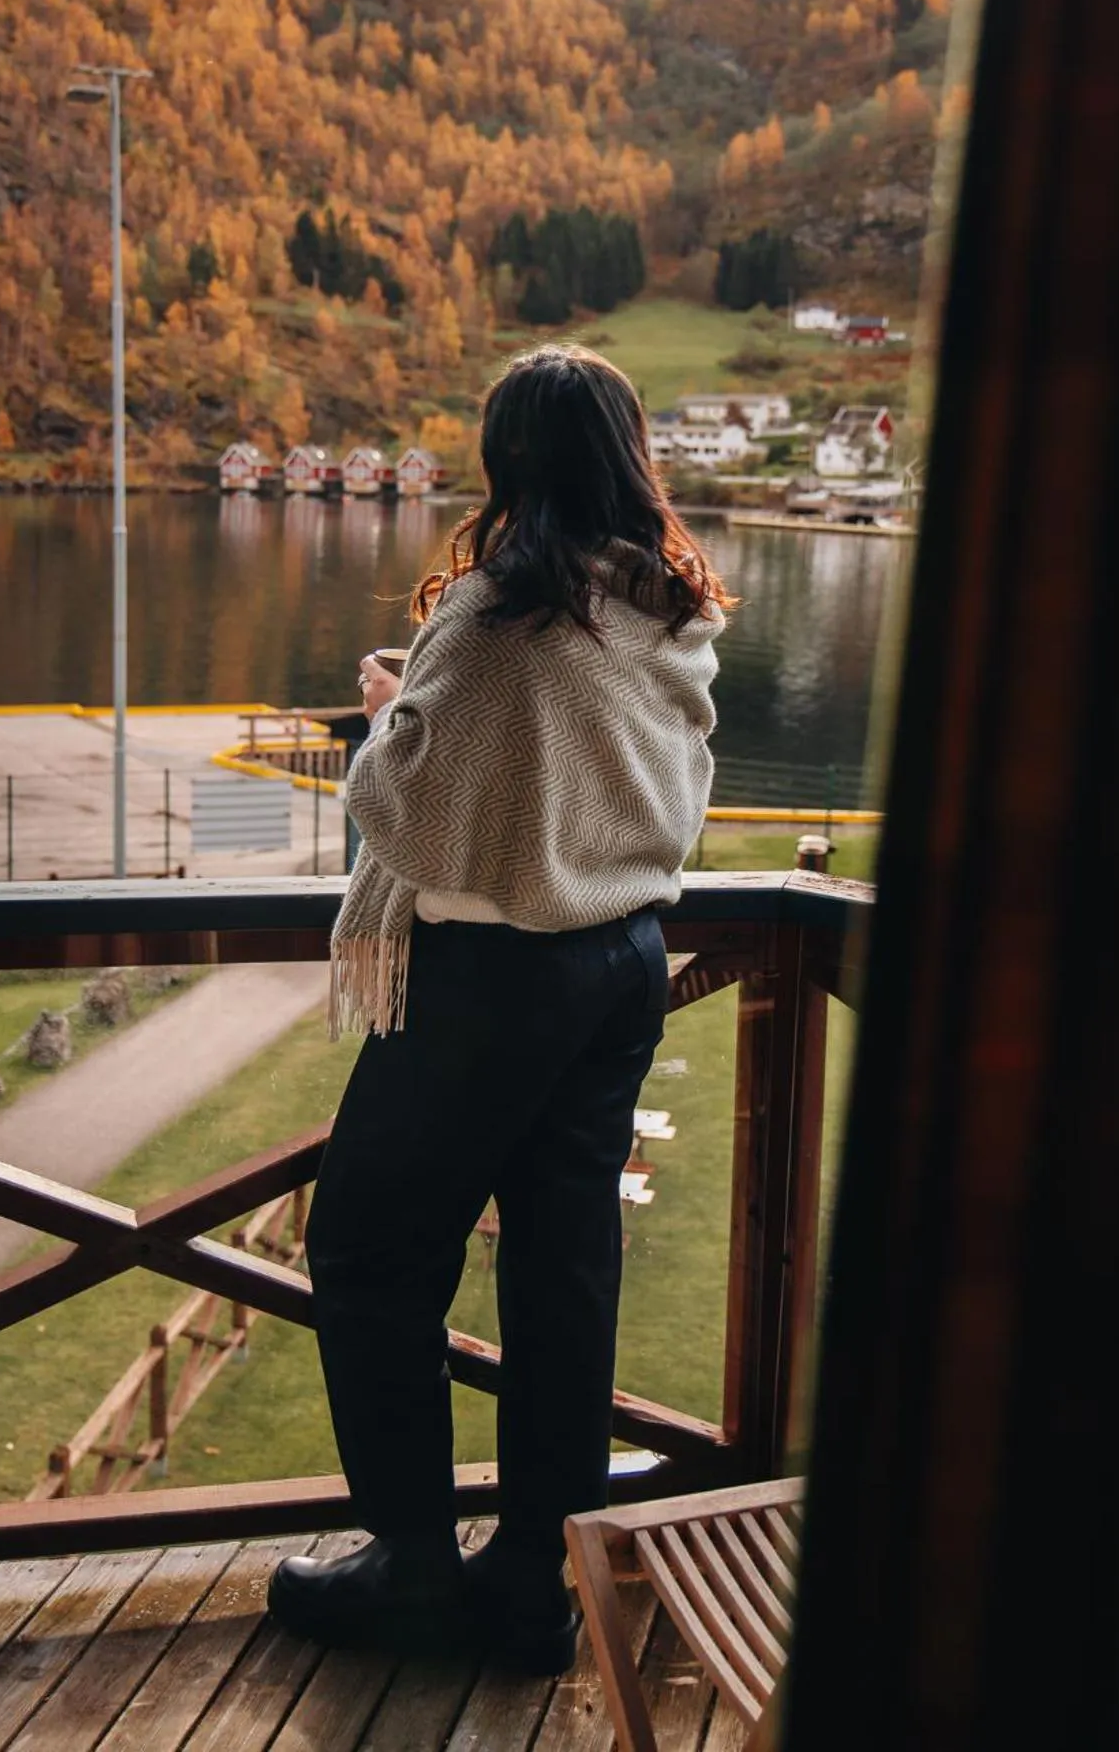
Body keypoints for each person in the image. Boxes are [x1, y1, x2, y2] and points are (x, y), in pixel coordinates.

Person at [267, 344, 727, 1673]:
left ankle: (409, 1562)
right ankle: (535, 1582)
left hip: (490, 976)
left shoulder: (495, 613)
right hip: (622, 963)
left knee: (365, 1250)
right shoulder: (663, 609)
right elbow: (647, 780)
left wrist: (386, 715)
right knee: (562, 1268)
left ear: (507, 458)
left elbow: (408, 808)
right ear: (626, 452)